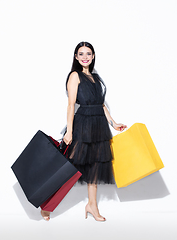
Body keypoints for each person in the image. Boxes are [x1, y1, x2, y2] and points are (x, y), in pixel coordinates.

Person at [41, 42, 126, 222]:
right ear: (76, 57)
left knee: (94, 168)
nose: (85, 56)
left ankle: (92, 206)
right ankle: (46, 205)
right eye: (81, 54)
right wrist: (70, 131)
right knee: (68, 167)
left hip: (99, 127)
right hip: (82, 125)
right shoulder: (74, 75)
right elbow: (71, 104)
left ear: (93, 56)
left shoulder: (96, 78)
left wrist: (113, 123)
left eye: (88, 53)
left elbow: (101, 105)